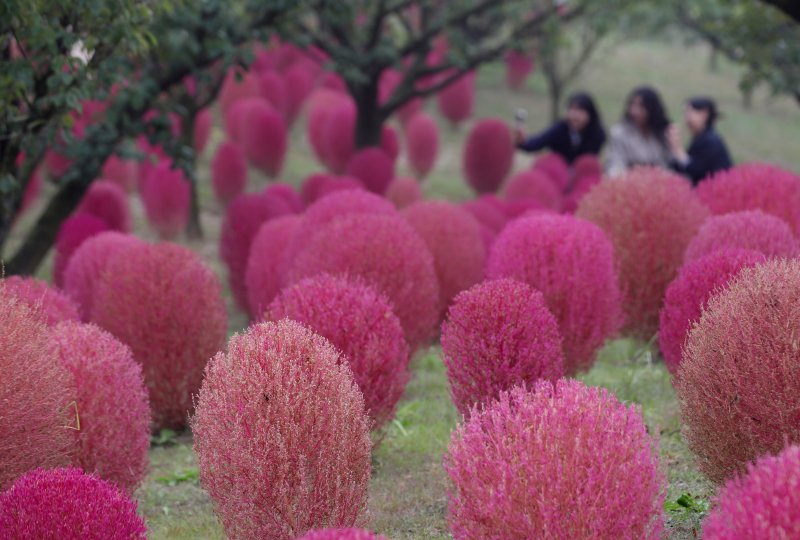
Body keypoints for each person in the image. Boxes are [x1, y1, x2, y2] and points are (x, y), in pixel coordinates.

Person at [514, 92, 606, 164]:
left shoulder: (598, 135)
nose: (575, 115)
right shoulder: (560, 129)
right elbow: (536, 143)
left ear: (590, 114)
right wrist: (521, 141)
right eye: (572, 109)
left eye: (580, 110)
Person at [606, 86, 672, 177]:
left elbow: (667, 166)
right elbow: (615, 164)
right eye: (632, 105)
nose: (634, 111)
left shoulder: (662, 133)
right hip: (628, 182)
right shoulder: (620, 133)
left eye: (641, 107)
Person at [668, 97, 733, 185]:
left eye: (690, 112)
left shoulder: (711, 141)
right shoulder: (701, 138)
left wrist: (678, 150)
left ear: (704, 114)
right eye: (685, 113)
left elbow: (696, 171)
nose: (686, 118)